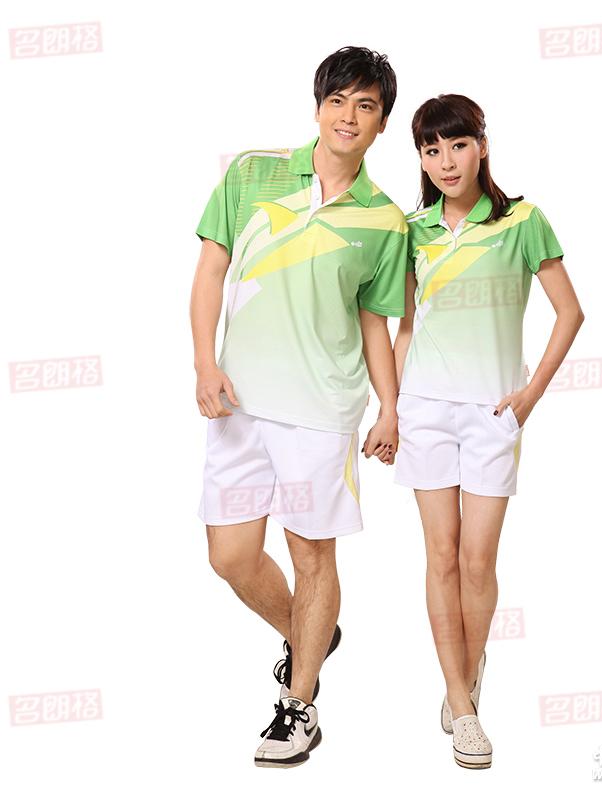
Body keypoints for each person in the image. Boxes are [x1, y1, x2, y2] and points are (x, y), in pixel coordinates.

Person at [190, 46, 407, 768]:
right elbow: (211, 270)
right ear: (318, 107)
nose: (349, 116)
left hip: (323, 409)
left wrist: (389, 408)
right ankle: (311, 633)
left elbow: (375, 323)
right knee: (230, 556)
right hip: (239, 403)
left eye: (366, 106)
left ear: (381, 123)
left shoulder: (386, 220)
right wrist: (204, 362)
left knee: (312, 553)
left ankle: (300, 704)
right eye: (338, 100)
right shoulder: (251, 173)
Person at [390, 94, 585, 768]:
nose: (446, 161)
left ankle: (469, 672)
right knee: (440, 557)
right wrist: (390, 409)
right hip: (424, 410)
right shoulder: (410, 230)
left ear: (481, 146)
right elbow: (406, 326)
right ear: (421, 158)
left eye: (458, 145)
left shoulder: (523, 221)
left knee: (477, 561)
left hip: (492, 414)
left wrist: (529, 395)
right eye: (431, 149)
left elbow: (570, 312)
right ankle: (461, 702)